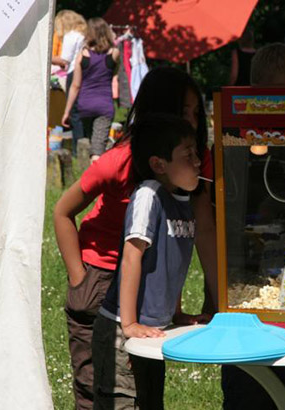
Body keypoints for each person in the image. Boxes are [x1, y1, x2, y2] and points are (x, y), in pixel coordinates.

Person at [53, 66, 217, 410]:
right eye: (181, 111)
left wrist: (206, 303)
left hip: (147, 293)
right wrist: (80, 280)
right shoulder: (120, 162)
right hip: (102, 284)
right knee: (101, 393)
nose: (190, 121)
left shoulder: (189, 166)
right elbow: (62, 212)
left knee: (145, 394)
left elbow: (195, 235)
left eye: (194, 113)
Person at [221, 43, 285, 410]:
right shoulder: (240, 134)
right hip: (245, 260)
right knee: (247, 370)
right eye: (271, 97)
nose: (279, 108)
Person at [92, 113, 210, 409]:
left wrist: (177, 312)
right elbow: (133, 257)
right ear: (159, 165)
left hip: (152, 330)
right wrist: (129, 323)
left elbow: (173, 264)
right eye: (188, 155)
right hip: (123, 331)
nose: (197, 161)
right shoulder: (148, 195)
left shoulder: (182, 202)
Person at [62, 17, 119, 162]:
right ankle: (96, 178)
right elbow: (114, 76)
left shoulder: (83, 54)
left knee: (90, 142)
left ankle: (89, 176)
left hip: (85, 106)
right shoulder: (114, 53)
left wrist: (67, 112)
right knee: (98, 148)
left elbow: (75, 86)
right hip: (104, 107)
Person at [54, 10, 87, 156]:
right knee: (82, 113)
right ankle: (84, 146)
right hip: (86, 74)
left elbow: (64, 60)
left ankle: (77, 150)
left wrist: (47, 56)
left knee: (74, 114)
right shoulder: (83, 35)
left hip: (74, 73)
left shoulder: (70, 36)